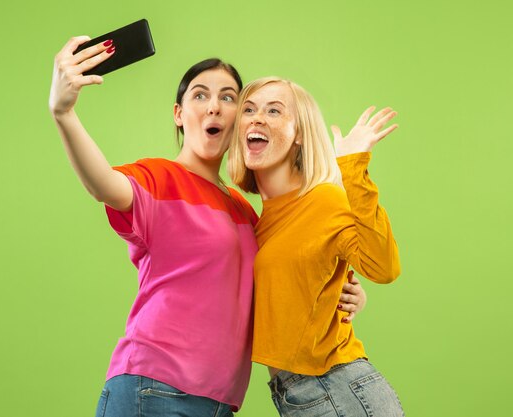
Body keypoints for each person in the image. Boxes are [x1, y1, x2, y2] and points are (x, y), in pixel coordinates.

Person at [48, 37, 366, 417]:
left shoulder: (245, 212)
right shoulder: (159, 179)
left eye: (229, 98)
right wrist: (63, 113)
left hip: (217, 405)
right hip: (153, 391)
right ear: (179, 114)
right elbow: (103, 183)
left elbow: (279, 282)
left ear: (240, 120)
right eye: (200, 96)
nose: (214, 106)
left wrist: (341, 293)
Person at [228, 77, 405, 416]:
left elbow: (383, 267)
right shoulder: (257, 223)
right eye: (248, 109)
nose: (256, 118)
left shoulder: (323, 199)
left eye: (274, 110)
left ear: (299, 135)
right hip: (299, 395)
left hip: (338, 388)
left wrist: (352, 166)